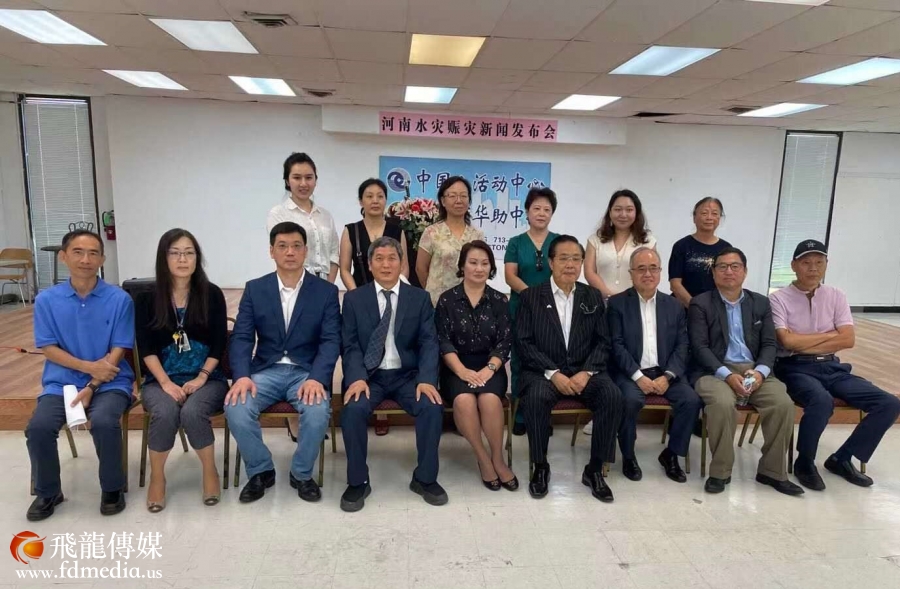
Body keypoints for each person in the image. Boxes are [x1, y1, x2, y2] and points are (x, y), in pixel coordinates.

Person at [225, 222, 340, 504]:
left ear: (306, 251)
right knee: (236, 407)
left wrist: (317, 377)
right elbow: (242, 337)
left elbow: (330, 341)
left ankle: (301, 473)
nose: (290, 252)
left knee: (317, 411)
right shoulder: (256, 289)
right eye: (283, 246)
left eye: (296, 246)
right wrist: (242, 375)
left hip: (306, 373)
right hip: (265, 371)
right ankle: (261, 470)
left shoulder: (325, 291)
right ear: (271, 251)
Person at [771, 240, 900, 490]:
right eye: (806, 263)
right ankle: (804, 462)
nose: (813, 268)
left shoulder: (836, 295)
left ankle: (842, 458)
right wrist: (830, 335)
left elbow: (848, 339)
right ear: (794, 266)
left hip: (833, 367)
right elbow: (787, 342)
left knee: (889, 403)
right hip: (794, 367)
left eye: (819, 262)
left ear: (826, 265)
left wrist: (803, 341)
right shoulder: (778, 299)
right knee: (821, 401)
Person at [25, 230, 135, 521]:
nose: (86, 259)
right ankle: (48, 491)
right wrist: (88, 368)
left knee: (104, 421)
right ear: (63, 256)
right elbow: (48, 347)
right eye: (78, 252)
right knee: (38, 427)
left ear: (102, 259)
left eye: (93, 253)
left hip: (110, 381)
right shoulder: (46, 300)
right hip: (61, 384)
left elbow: (120, 348)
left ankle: (112, 488)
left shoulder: (119, 299)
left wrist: (94, 383)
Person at [340, 236, 445, 512]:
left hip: (407, 375)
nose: (386, 265)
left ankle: (425, 478)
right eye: (379, 259)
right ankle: (358, 481)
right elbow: (350, 345)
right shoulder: (353, 299)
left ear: (402, 264)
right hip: (369, 376)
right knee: (352, 409)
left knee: (431, 406)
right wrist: (356, 377)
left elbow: (428, 342)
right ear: (369, 264)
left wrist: (426, 380)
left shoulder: (419, 298)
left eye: (392, 259)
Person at [515, 235, 623, 503]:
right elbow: (524, 343)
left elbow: (603, 342)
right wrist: (554, 374)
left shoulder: (592, 295)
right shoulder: (530, 297)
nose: (570, 264)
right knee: (535, 398)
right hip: (543, 372)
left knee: (612, 395)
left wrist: (586, 372)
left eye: (576, 259)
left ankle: (595, 469)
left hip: (585, 372)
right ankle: (540, 466)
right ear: (551, 262)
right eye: (564, 258)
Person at [688, 247, 803, 496]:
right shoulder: (701, 303)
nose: (729, 271)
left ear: (745, 271)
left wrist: (760, 372)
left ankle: (772, 471)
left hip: (755, 369)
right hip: (713, 371)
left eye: (735, 266)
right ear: (713, 272)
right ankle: (720, 472)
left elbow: (770, 344)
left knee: (782, 404)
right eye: (722, 267)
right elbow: (699, 347)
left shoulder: (760, 302)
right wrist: (727, 375)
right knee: (721, 403)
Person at [136, 229, 229, 512]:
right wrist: (165, 383)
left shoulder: (211, 294)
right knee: (164, 412)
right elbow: (146, 348)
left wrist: (201, 377)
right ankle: (157, 477)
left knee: (192, 411)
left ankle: (210, 471)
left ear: (197, 258)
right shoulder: (146, 299)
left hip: (208, 378)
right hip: (160, 380)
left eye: (189, 253)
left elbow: (219, 344)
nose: (182, 259)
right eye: (175, 253)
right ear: (163, 258)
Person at [607, 247, 701, 483]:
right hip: (630, 373)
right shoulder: (617, 304)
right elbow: (616, 345)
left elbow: (683, 345)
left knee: (690, 400)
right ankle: (628, 456)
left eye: (653, 268)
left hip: (665, 372)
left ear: (660, 272)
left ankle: (671, 455)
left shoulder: (674, 305)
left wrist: (667, 376)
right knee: (629, 400)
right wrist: (638, 377)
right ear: (631, 273)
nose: (647, 274)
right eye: (641, 269)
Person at [266, 152, 339, 442]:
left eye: (309, 177)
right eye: (296, 177)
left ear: (316, 180)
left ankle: (317, 408)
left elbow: (333, 253)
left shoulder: (325, 215)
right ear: (287, 180)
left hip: (323, 289)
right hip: (295, 286)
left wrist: (327, 289)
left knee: (323, 347)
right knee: (296, 347)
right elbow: (284, 253)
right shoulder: (278, 213)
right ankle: (295, 419)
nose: (303, 183)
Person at [436, 240, 518, 491]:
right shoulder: (447, 300)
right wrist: (461, 371)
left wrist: (489, 369)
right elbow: (442, 340)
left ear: (491, 267)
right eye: (473, 262)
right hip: (455, 367)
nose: (479, 268)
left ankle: (498, 458)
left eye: (485, 263)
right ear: (462, 266)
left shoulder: (499, 300)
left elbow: (505, 341)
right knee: (464, 401)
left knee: (490, 400)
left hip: (490, 366)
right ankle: (482, 457)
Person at [583, 189, 656, 436]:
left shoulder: (647, 240)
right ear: (610, 212)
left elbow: (648, 272)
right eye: (618, 209)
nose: (623, 214)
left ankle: (622, 413)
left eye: (629, 209)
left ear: (637, 213)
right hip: (600, 306)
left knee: (624, 355)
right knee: (601, 358)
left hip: (633, 308)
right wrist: (609, 295)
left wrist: (623, 300)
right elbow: (589, 271)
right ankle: (599, 412)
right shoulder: (596, 239)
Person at [504, 187, 558, 437]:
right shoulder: (515, 242)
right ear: (527, 211)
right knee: (519, 361)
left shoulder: (558, 242)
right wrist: (533, 297)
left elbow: (563, 274)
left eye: (547, 209)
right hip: (521, 309)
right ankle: (519, 414)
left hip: (553, 310)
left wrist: (544, 300)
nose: (541, 213)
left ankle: (543, 415)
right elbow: (510, 276)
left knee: (549, 361)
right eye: (536, 208)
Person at [416, 175, 486, 306]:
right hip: (436, 303)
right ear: (443, 201)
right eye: (452, 196)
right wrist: (433, 292)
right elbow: (421, 268)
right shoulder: (431, 232)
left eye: (463, 196)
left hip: (468, 304)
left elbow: (481, 268)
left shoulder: (477, 235)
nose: (458, 200)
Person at [339, 178, 410, 289]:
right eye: (369, 196)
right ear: (361, 201)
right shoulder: (351, 230)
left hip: (390, 294)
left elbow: (404, 267)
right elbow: (344, 269)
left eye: (380, 196)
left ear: (386, 200)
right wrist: (355, 293)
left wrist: (393, 291)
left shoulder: (397, 231)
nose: (375, 201)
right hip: (360, 293)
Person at [669, 197, 732, 308]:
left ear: (720, 218)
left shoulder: (726, 248)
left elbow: (728, 283)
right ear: (694, 217)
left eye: (714, 213)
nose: (709, 217)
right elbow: (675, 284)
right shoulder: (681, 246)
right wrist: (695, 308)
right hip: (684, 308)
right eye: (704, 213)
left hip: (715, 309)